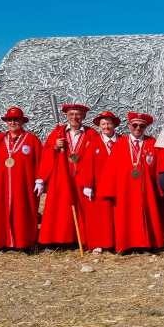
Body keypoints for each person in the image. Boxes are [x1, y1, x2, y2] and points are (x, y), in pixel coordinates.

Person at [97, 112, 164, 253]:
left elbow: (159, 166)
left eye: (142, 126)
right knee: (125, 215)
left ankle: (146, 244)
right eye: (134, 125)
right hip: (125, 189)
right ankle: (126, 245)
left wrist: (161, 187)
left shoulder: (152, 142)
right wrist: (109, 190)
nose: (138, 128)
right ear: (129, 126)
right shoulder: (120, 143)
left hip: (146, 189)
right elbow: (111, 168)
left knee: (147, 214)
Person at [36, 103, 101, 248]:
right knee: (59, 208)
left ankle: (80, 240)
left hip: (82, 177)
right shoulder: (58, 133)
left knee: (81, 208)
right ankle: (56, 240)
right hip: (62, 175)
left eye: (78, 114)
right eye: (71, 114)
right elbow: (46, 152)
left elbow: (96, 157)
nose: (74, 117)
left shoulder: (91, 134)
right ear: (66, 116)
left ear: (83, 116)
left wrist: (90, 181)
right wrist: (55, 146)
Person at [0, 107, 43, 250]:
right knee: (1, 211)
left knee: (23, 212)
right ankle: (2, 241)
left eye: (16, 119)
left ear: (22, 121)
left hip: (24, 185)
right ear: (6, 122)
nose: (13, 122)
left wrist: (40, 180)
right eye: (10, 120)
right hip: (1, 184)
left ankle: (23, 242)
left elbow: (40, 161)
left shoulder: (32, 140)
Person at [84, 110, 121, 252]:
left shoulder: (122, 141)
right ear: (100, 126)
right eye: (103, 124)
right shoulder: (93, 143)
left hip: (119, 185)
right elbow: (87, 164)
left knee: (117, 215)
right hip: (100, 186)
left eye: (109, 123)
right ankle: (100, 243)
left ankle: (118, 242)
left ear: (114, 125)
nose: (106, 127)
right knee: (102, 216)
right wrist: (87, 185)